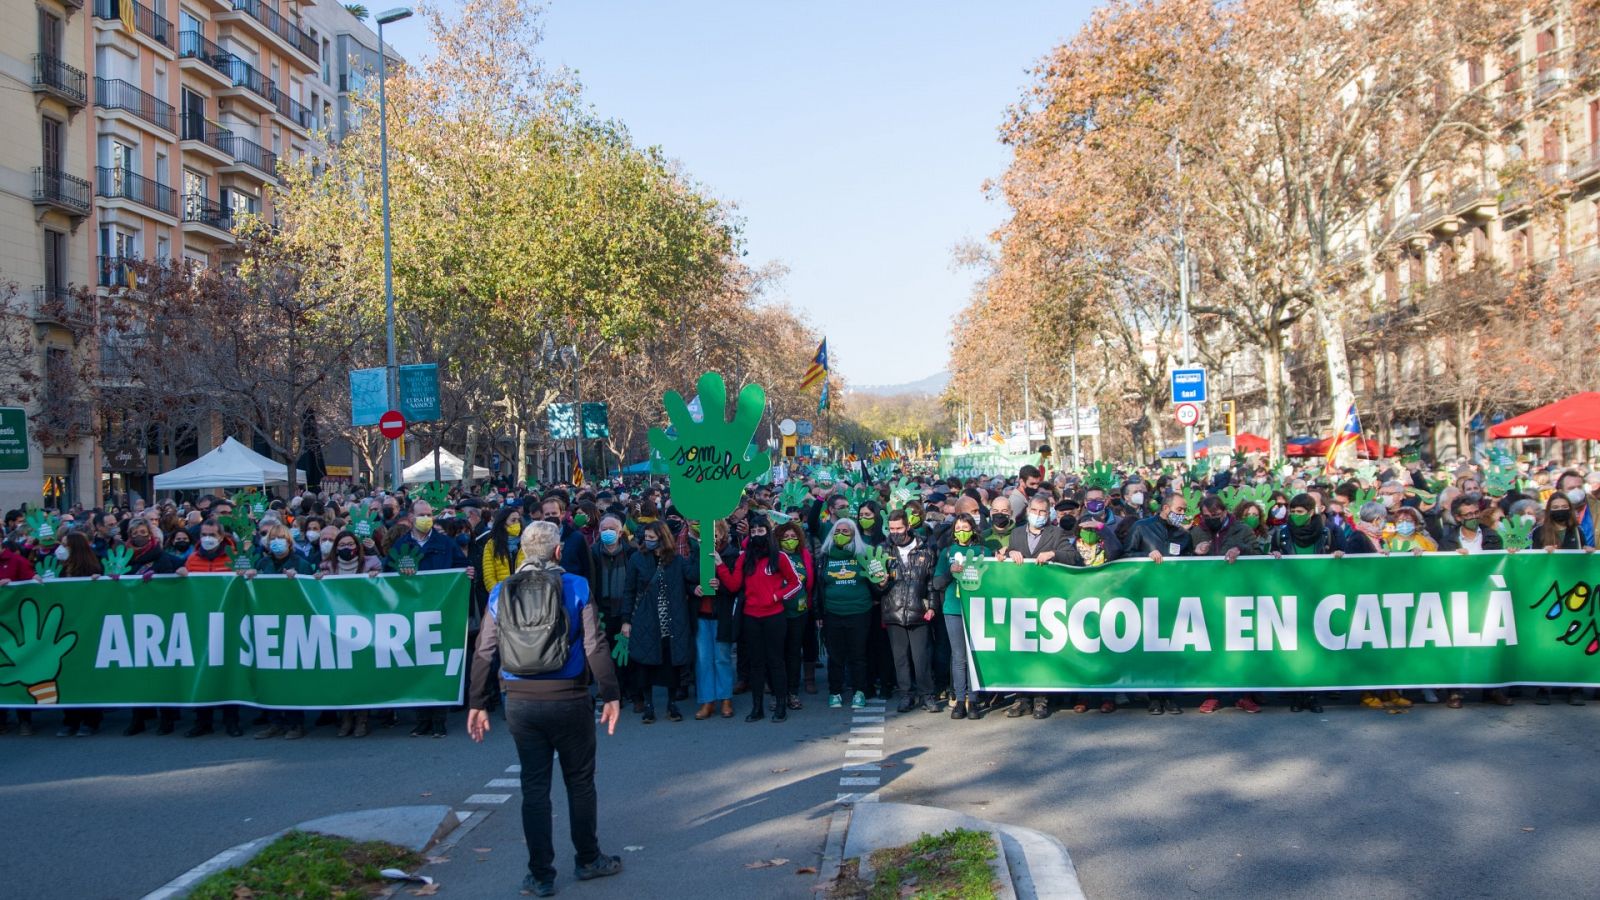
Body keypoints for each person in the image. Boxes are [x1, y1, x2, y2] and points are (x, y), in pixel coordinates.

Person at [466, 520, 623, 897]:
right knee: (580, 781)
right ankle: (588, 858)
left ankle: (540, 875)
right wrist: (611, 694)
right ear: (558, 551)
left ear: (523, 552)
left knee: (534, 787)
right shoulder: (576, 585)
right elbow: (594, 645)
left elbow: (484, 650)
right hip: (569, 697)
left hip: (520, 699)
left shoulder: (501, 590)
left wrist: (476, 702)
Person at [392, 499, 472, 737]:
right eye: (422, 514)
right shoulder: (402, 545)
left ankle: (439, 720)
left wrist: (468, 572)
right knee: (418, 665)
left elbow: (461, 566)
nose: (427, 518)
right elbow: (389, 571)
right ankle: (422, 719)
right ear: (411, 518)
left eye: (429, 514)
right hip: (413, 613)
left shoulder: (445, 543)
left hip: (441, 611)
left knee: (437, 664)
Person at [714, 514, 802, 722]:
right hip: (751, 617)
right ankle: (757, 708)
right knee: (756, 664)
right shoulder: (744, 558)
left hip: (774, 617)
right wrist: (720, 565)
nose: (756, 534)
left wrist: (777, 596)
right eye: (753, 531)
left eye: (760, 531)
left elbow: (795, 583)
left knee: (776, 662)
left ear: (768, 533)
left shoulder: (780, 557)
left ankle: (780, 706)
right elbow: (734, 585)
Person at [1126, 490, 1194, 715]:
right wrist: (1144, 557)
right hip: (1146, 595)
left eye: (1184, 511)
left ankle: (1170, 696)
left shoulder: (1183, 535)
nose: (1182, 514)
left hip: (1172, 596)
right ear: (1166, 508)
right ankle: (1154, 697)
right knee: (1151, 647)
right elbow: (1125, 555)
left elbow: (1190, 564)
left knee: (1171, 648)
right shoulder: (1141, 527)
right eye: (1179, 509)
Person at [621, 521, 696, 724]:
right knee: (645, 663)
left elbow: (693, 575)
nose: (648, 541)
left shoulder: (677, 560)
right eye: (646, 537)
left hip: (671, 619)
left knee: (671, 662)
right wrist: (626, 620)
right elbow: (629, 590)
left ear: (663, 538)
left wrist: (698, 547)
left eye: (652, 538)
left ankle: (672, 704)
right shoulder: (637, 558)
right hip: (646, 617)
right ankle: (648, 705)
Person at [881, 509, 941, 715]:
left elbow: (931, 582)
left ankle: (927, 695)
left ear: (908, 526)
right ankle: (906, 695)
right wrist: (880, 583)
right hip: (894, 610)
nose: (895, 533)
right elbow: (875, 584)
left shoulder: (925, 549)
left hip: (918, 611)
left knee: (921, 657)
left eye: (899, 528)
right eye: (891, 529)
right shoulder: (883, 550)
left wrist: (932, 606)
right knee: (901, 659)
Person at [819, 517, 877, 711]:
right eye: (837, 531)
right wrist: (819, 613)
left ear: (853, 535)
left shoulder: (864, 553)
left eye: (845, 531)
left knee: (858, 654)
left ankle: (860, 691)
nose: (841, 535)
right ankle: (834, 691)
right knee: (835, 656)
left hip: (859, 612)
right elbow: (819, 585)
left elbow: (876, 581)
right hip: (832, 612)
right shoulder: (825, 555)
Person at [931, 513, 985, 720]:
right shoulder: (947, 553)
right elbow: (937, 583)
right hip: (953, 608)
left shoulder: (983, 551)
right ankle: (960, 700)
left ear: (973, 529)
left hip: (977, 609)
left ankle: (974, 699)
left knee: (974, 655)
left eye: (966, 528)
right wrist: (950, 573)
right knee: (959, 656)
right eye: (958, 528)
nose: (962, 532)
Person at [693, 521, 739, 719]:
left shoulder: (731, 554)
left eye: (715, 533)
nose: (712, 537)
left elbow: (736, 586)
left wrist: (720, 584)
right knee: (703, 659)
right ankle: (707, 700)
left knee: (722, 658)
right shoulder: (695, 553)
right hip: (701, 614)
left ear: (722, 533)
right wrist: (694, 588)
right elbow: (686, 577)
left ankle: (725, 698)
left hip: (722, 614)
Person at [773, 519, 817, 710]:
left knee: (793, 653)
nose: (790, 540)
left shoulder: (803, 556)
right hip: (777, 611)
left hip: (799, 612)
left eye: (793, 536)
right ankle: (777, 693)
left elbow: (810, 582)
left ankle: (792, 692)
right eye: (785, 537)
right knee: (777, 654)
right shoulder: (773, 557)